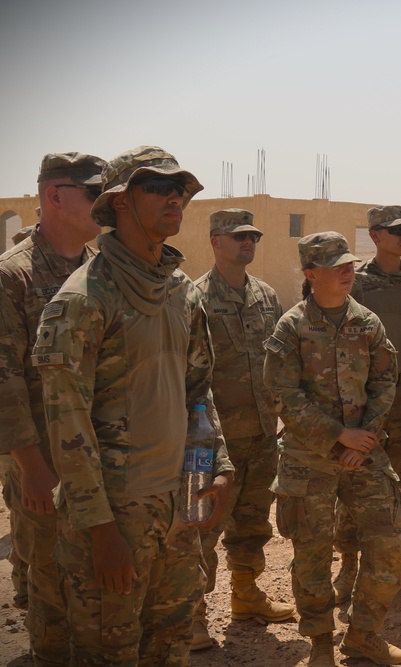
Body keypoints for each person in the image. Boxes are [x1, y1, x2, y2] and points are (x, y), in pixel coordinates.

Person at [35, 145, 234, 664]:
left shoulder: (180, 292)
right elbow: (67, 425)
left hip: (177, 508)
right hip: (114, 518)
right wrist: (100, 531)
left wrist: (214, 465)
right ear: (121, 202)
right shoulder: (85, 299)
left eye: (180, 191)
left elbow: (198, 390)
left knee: (171, 648)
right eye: (159, 188)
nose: (175, 199)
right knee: (109, 652)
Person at [264, 231, 401, 665]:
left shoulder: (367, 321)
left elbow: (385, 380)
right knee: (311, 554)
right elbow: (282, 393)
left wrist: (363, 438)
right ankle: (321, 642)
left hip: (363, 452)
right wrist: (336, 434)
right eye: (335, 266)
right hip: (309, 459)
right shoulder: (291, 326)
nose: (348, 271)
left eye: (349, 264)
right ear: (311, 274)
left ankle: (364, 634)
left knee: (389, 546)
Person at [0, 152, 105, 664]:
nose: (102, 204)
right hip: (41, 454)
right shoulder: (12, 275)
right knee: (47, 575)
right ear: (54, 196)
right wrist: (30, 466)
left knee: (90, 573)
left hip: (96, 452)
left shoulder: (99, 272)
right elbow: (4, 381)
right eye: (92, 193)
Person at [191, 208, 291, 649]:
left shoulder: (268, 296)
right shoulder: (194, 298)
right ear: (215, 241)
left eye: (252, 236)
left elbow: (284, 361)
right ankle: (192, 617)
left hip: (263, 434)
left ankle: (245, 596)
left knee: (252, 523)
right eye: (237, 237)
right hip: (215, 440)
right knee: (201, 528)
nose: (247, 243)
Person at [333, 205, 401, 603]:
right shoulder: (357, 283)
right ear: (375, 235)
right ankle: (349, 567)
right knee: (356, 475)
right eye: (395, 231)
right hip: (362, 393)